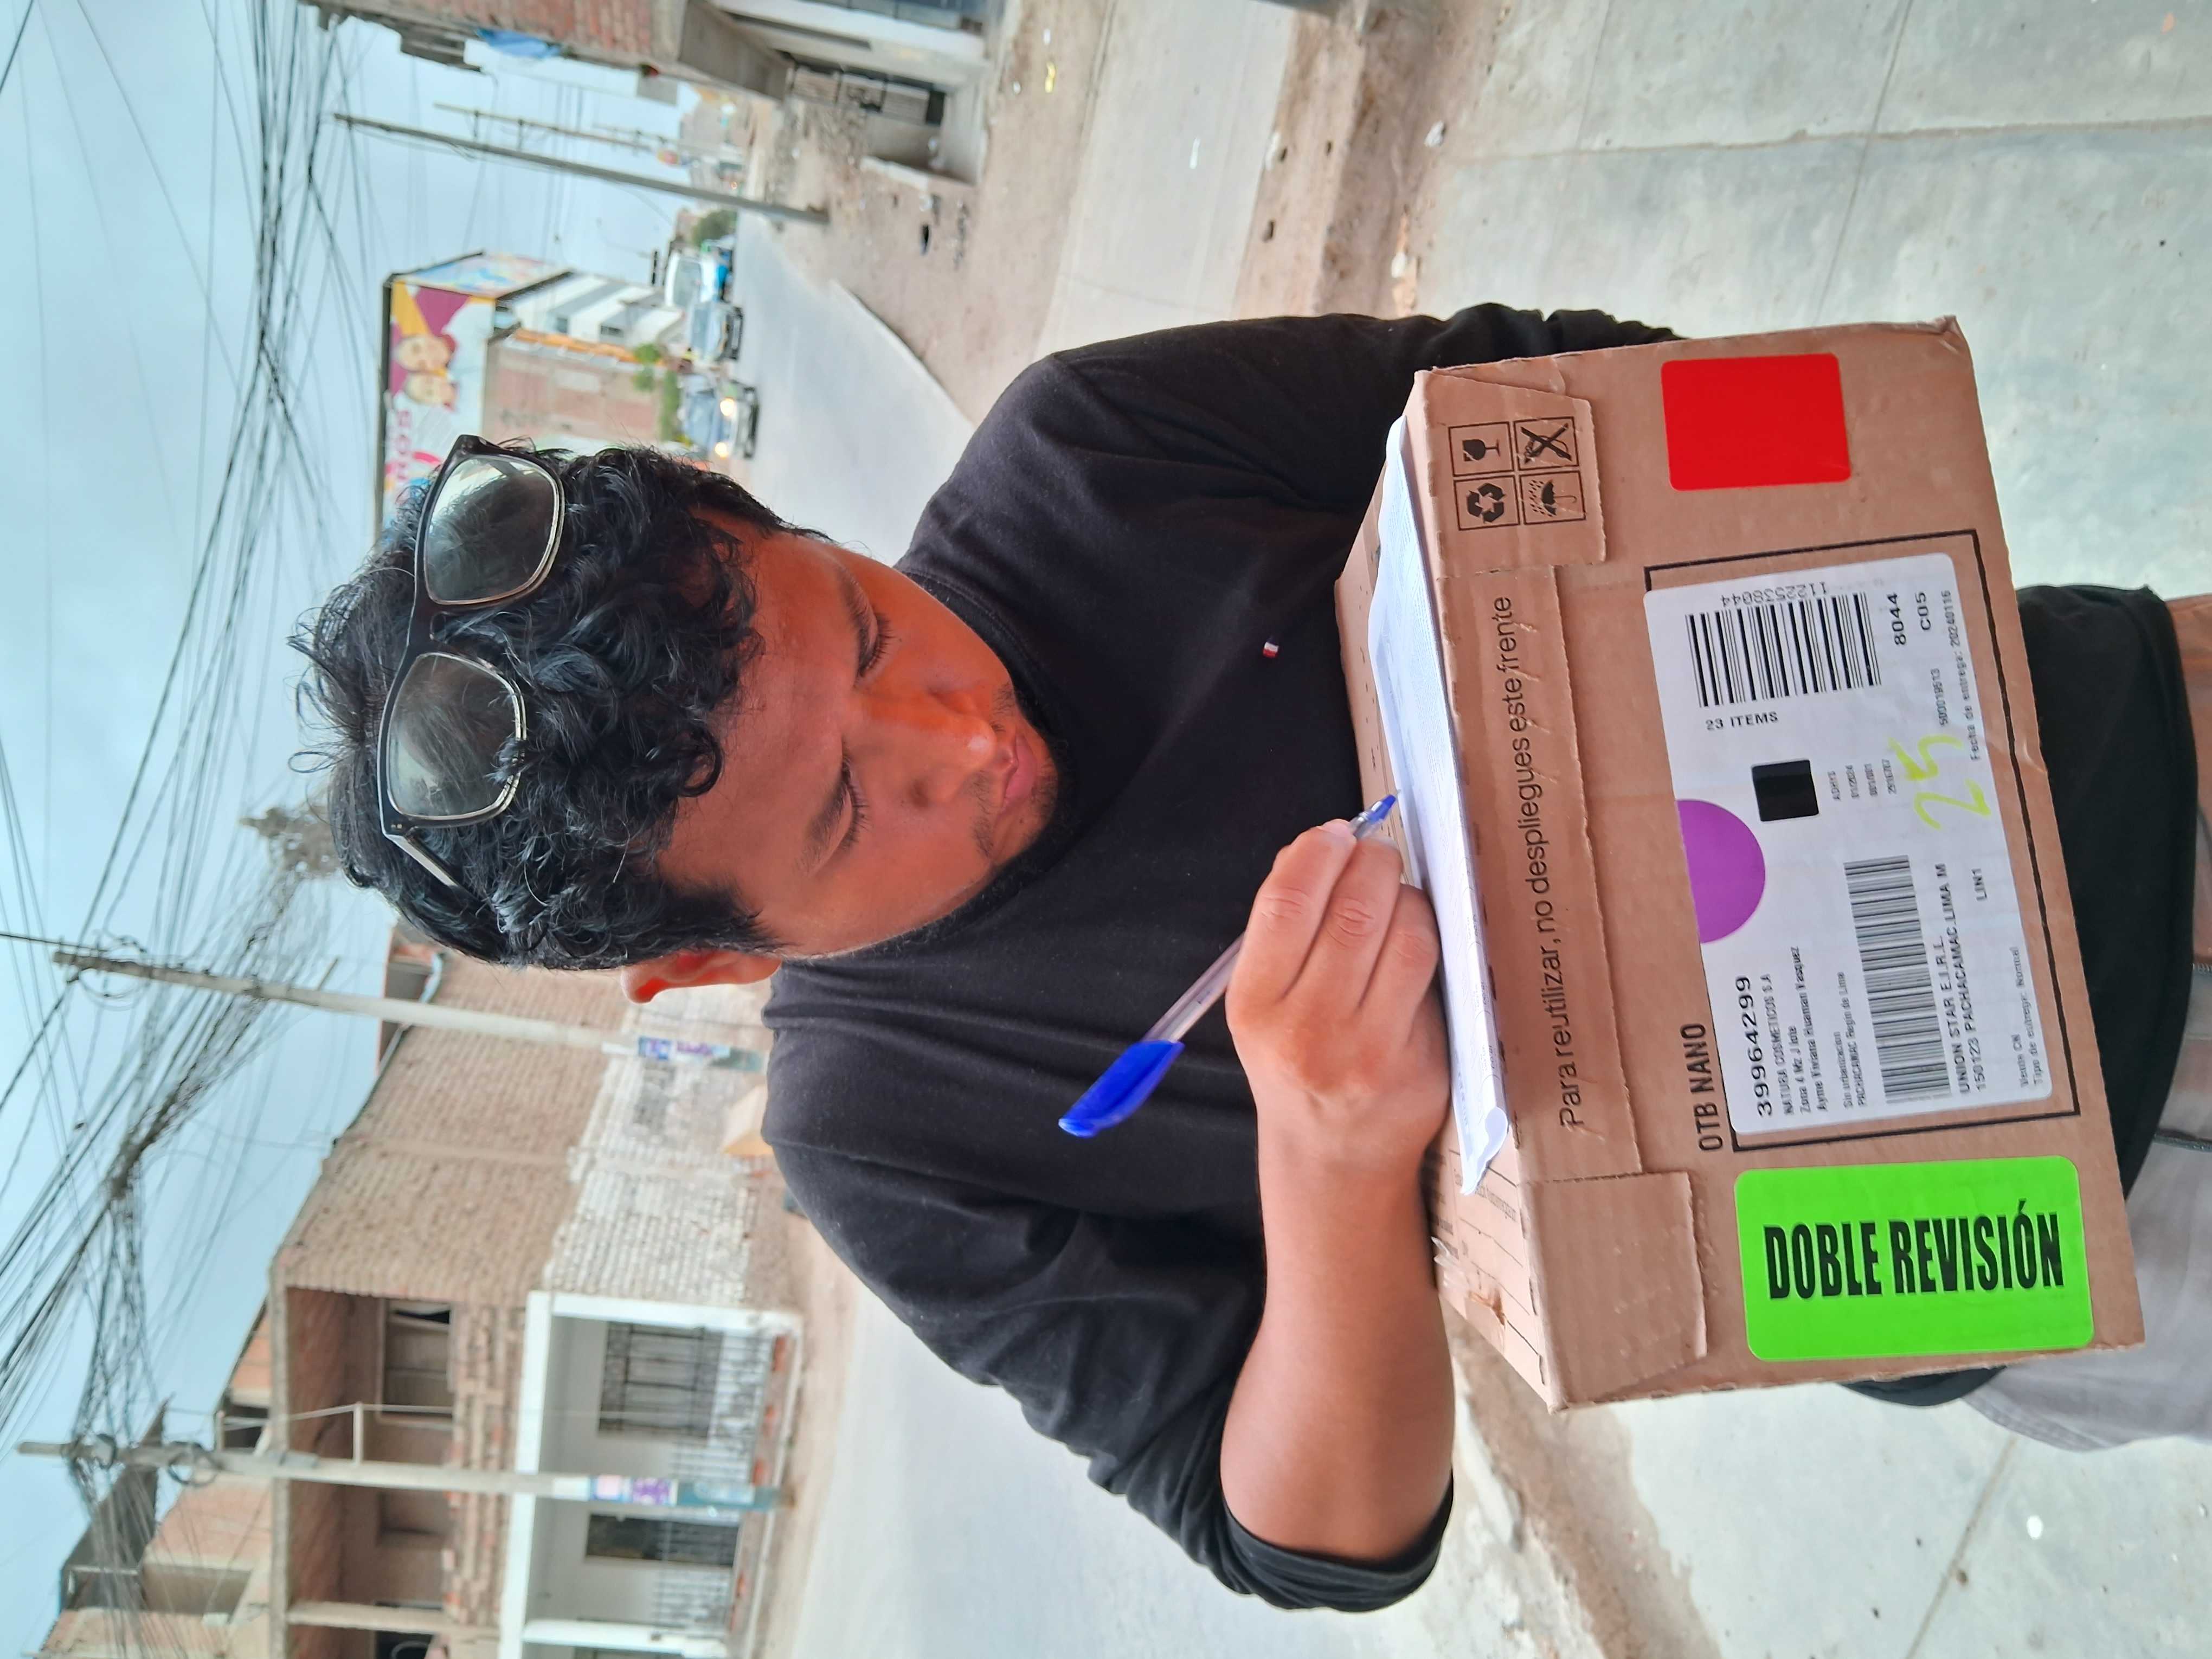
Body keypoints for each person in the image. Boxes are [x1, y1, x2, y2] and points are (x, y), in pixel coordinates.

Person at [297, 307, 2205, 1611]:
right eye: (850, 815)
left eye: (871, 629)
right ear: (715, 967)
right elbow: (1314, 1536)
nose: (963, 735)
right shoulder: (879, 1124)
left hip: (2105, 731)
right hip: (2025, 1202)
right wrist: (1330, 1155)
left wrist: (1628, 591)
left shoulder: (1087, 451)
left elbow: (1588, 387)